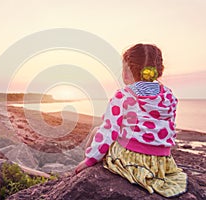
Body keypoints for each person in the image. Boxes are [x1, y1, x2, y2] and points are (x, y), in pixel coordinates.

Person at [75, 43, 187, 197]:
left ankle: (87, 164)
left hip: (131, 161)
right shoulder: (169, 96)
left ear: (127, 71)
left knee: (97, 131)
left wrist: (90, 160)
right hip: (160, 163)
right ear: (158, 70)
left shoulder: (124, 96)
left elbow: (109, 131)